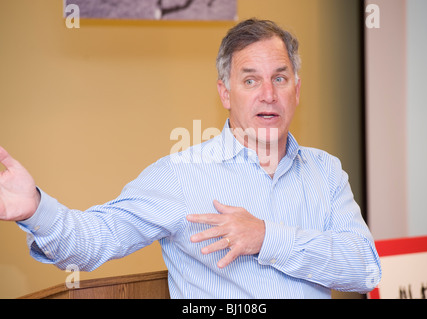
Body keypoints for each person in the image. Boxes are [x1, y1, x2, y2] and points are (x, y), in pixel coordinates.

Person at [0, 19, 381, 298]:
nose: (268, 94)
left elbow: (364, 269)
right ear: (225, 93)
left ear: (296, 90)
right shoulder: (181, 176)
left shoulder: (325, 170)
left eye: (279, 78)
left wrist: (267, 238)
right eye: (250, 80)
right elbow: (93, 242)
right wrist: (34, 208)